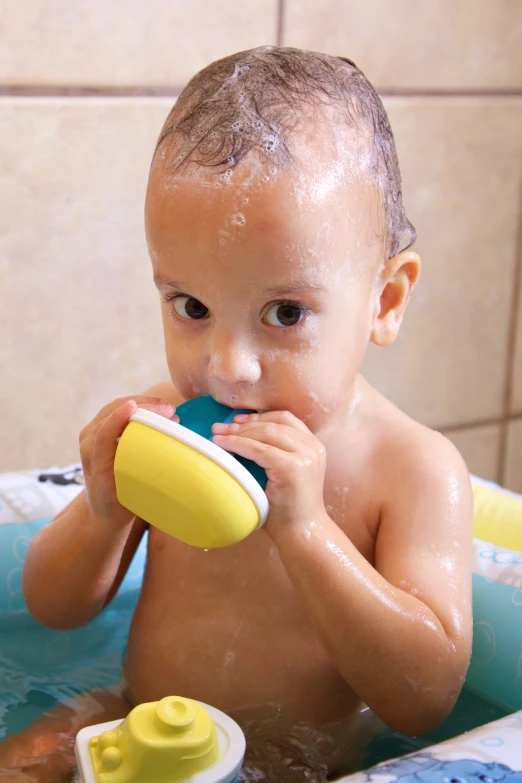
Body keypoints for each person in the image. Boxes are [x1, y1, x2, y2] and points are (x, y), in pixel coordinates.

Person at [0, 46, 473, 782]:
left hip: (301, 761)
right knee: (21, 760)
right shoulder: (170, 427)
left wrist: (307, 530)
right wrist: (102, 510)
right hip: (137, 716)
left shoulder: (410, 472)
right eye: (191, 306)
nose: (227, 366)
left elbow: (427, 696)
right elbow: (53, 608)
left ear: (384, 301)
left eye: (284, 312)